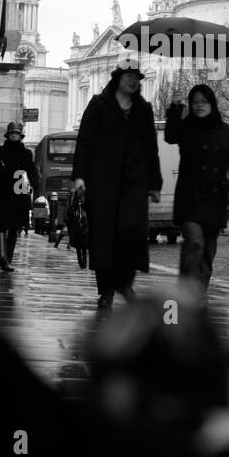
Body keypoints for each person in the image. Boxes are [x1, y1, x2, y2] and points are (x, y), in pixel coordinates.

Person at [71, 65, 162, 308]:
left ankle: (125, 283)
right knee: (104, 237)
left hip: (135, 182)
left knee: (132, 235)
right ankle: (106, 291)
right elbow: (85, 143)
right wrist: (79, 176)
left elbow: (151, 148)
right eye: (129, 76)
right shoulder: (99, 104)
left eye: (137, 77)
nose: (133, 81)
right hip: (102, 182)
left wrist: (155, 183)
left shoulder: (143, 109)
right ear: (118, 79)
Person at [164, 84, 229, 296]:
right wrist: (175, 107)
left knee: (208, 252)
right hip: (190, 196)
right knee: (194, 242)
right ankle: (185, 293)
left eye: (203, 101)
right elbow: (170, 136)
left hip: (215, 198)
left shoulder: (226, 131)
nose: (199, 106)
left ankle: (199, 294)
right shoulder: (185, 127)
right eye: (195, 102)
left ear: (211, 103)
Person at [0, 122, 40, 271]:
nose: (14, 136)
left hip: (20, 190)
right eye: (12, 133)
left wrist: (36, 183)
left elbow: (31, 170)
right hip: (3, 190)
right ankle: (2, 256)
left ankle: (7, 259)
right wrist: (0, 171)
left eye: (16, 133)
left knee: (15, 226)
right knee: (1, 225)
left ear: (20, 136)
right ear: (8, 135)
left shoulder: (26, 153)